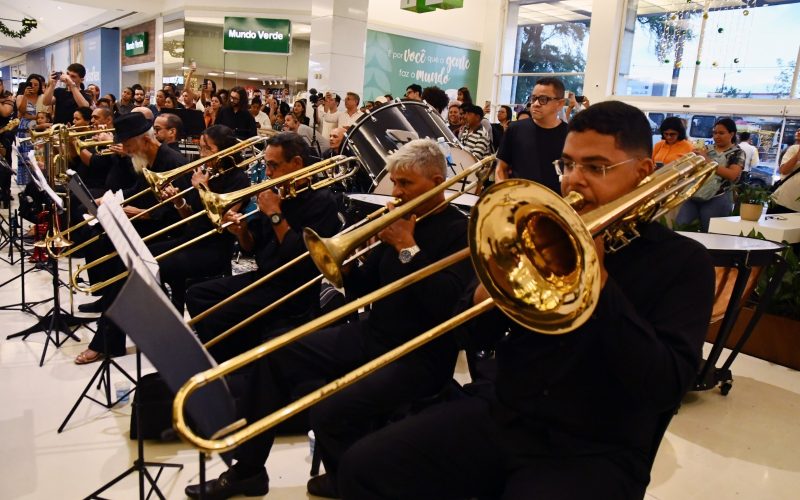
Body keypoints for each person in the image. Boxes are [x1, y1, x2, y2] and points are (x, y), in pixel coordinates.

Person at [338, 101, 716, 500]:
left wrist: (598, 280)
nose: (573, 181)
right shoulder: (539, 228)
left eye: (595, 167)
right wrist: (494, 283)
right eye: (567, 165)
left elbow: (664, 386)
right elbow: (468, 336)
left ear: (643, 173)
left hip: (596, 446)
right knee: (364, 467)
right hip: (506, 413)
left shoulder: (683, 263)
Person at [185, 139, 473, 499]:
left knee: (328, 410)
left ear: (435, 181)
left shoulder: (460, 231)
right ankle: (248, 471)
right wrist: (347, 264)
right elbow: (365, 288)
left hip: (419, 354)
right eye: (395, 183)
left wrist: (407, 248)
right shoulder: (402, 219)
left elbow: (446, 303)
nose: (395, 192)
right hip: (375, 333)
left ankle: (349, 478)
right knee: (274, 354)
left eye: (406, 184)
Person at [184, 132, 341, 362]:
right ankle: (230, 357)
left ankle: (232, 365)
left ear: (296, 163)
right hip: (264, 277)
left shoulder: (322, 201)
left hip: (293, 291)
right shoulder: (277, 193)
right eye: (267, 165)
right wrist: (241, 231)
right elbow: (250, 248)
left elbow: (298, 259)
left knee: (219, 315)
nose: (268, 173)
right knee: (197, 295)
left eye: (274, 166)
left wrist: (276, 215)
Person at [74, 112, 189, 364]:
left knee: (124, 267)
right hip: (147, 223)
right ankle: (111, 311)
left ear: (145, 141)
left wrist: (146, 214)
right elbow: (137, 191)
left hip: (172, 230)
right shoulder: (145, 157)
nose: (125, 150)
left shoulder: (173, 161)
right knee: (100, 237)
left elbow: (183, 210)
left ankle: (107, 341)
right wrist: (112, 198)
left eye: (128, 145)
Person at [148, 125, 251, 312]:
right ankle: (169, 309)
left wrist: (204, 189)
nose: (202, 154)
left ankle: (166, 314)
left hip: (214, 247)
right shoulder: (207, 172)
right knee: (144, 255)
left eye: (208, 149)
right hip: (192, 238)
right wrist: (178, 201)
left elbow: (221, 221)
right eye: (201, 148)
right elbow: (190, 217)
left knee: (158, 266)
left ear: (225, 150)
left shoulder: (240, 179)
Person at [495, 77, 569, 192]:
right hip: (518, 202)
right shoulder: (515, 129)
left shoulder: (570, 135)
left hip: (554, 204)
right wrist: (503, 195)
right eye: (533, 98)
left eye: (543, 99)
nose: (535, 104)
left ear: (559, 104)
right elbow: (501, 169)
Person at [675, 118, 743, 232]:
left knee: (711, 233)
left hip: (718, 197)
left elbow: (732, 175)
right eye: (714, 133)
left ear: (732, 134)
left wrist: (707, 161)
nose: (716, 136)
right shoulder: (706, 149)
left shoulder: (738, 153)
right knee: (680, 228)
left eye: (721, 133)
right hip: (694, 194)